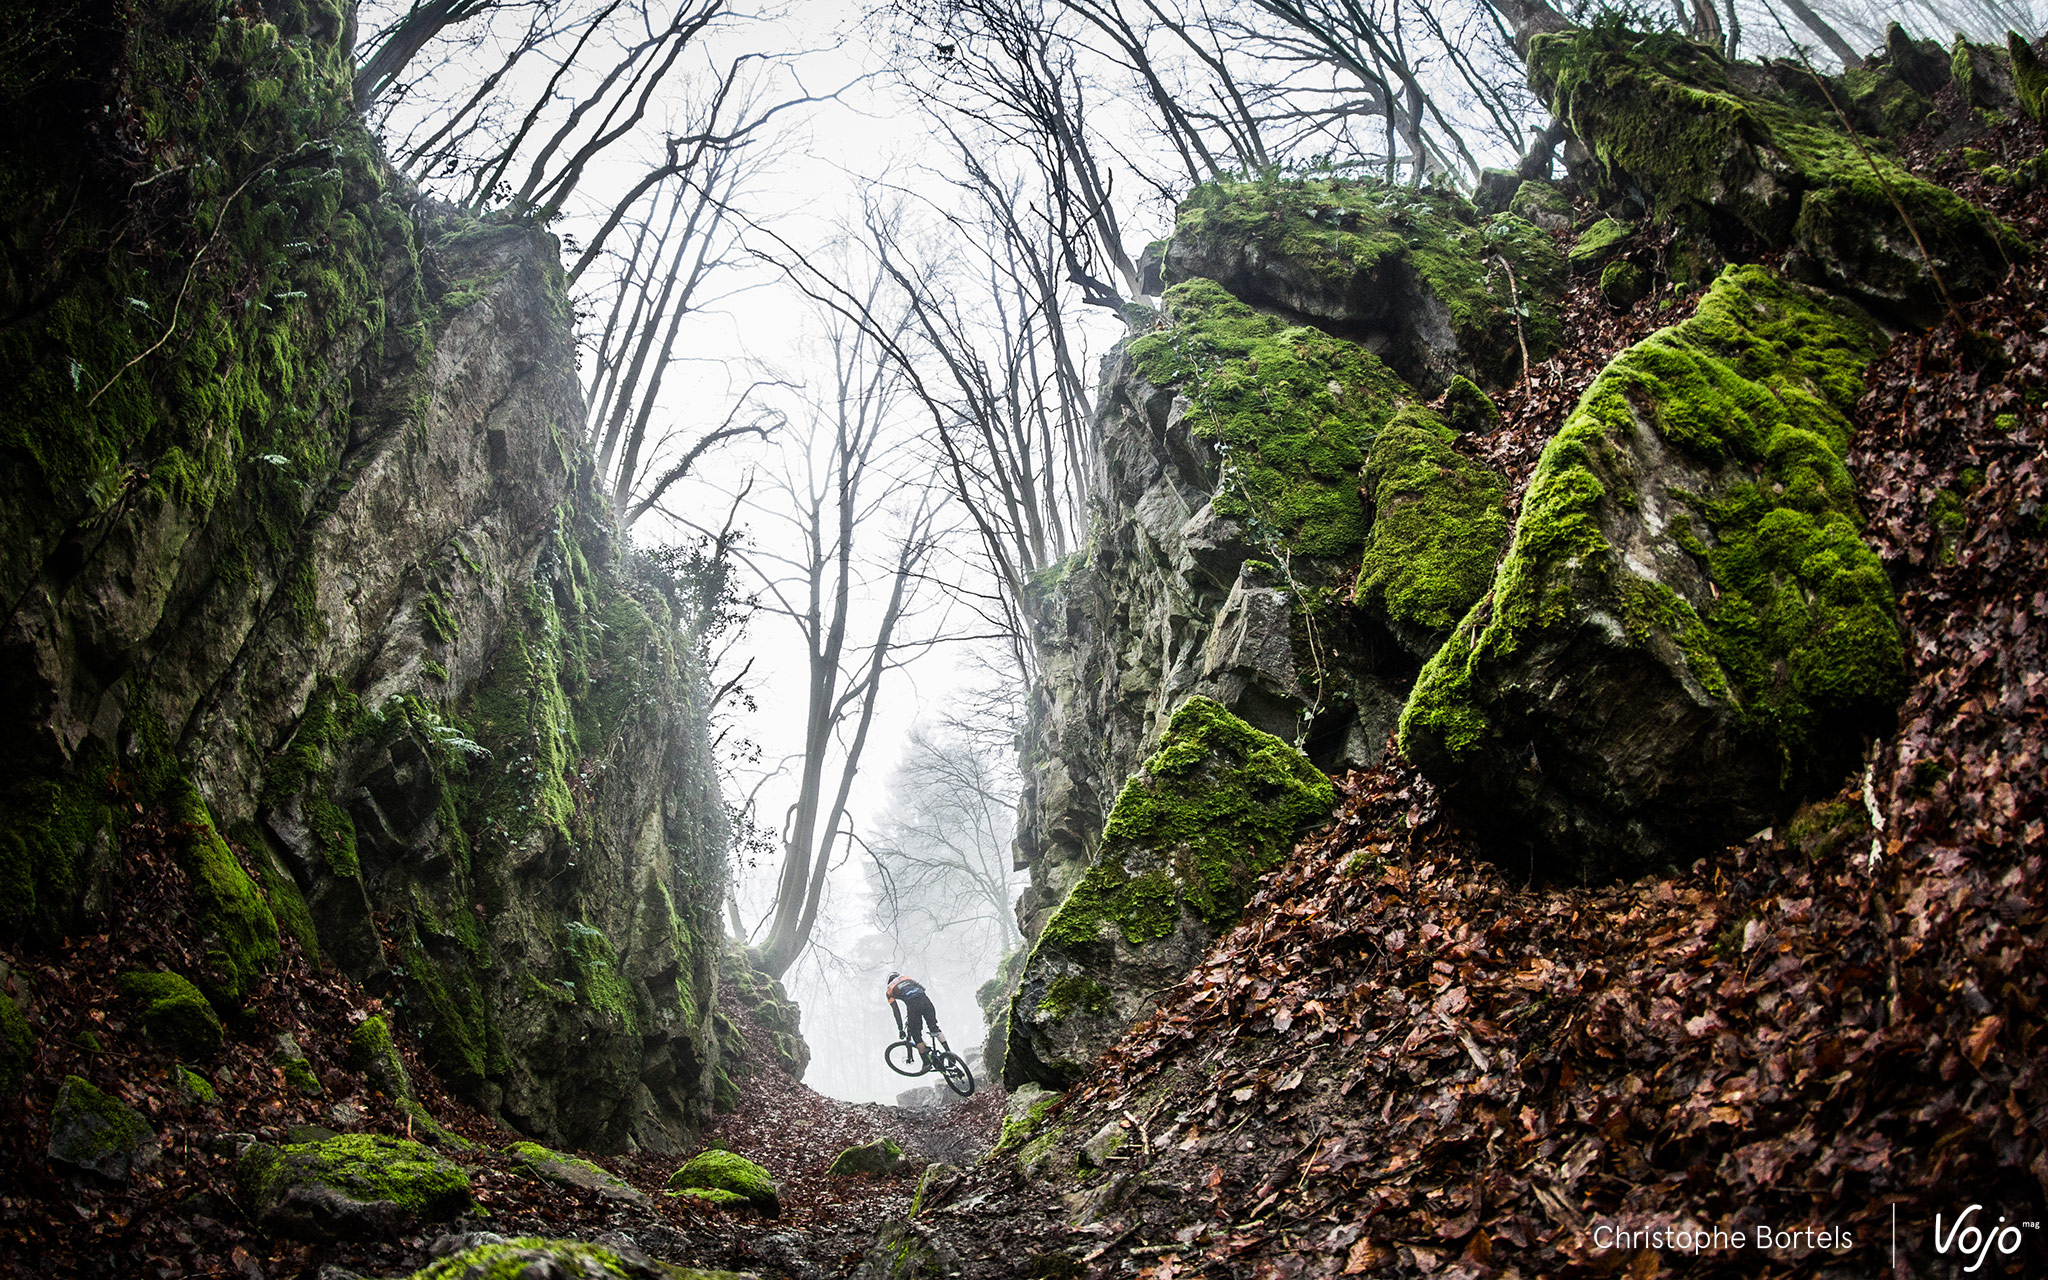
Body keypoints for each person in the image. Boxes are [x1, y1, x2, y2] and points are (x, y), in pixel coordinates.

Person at [885, 971, 945, 1055]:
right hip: (926, 1001)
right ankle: (949, 1053)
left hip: (913, 1006)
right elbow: (922, 989)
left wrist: (900, 1029)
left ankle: (926, 1062)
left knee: (916, 1035)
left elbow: (896, 1011)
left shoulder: (889, 990)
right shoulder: (908, 979)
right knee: (934, 1028)